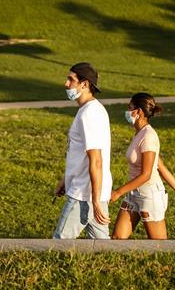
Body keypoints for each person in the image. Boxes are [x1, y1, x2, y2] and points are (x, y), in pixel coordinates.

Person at [110, 93, 175, 239]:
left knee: (159, 246)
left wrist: (118, 192)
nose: (127, 111)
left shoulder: (148, 136)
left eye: (129, 107)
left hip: (149, 196)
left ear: (138, 112)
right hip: (133, 195)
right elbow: (160, 164)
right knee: (117, 239)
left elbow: (146, 175)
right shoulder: (139, 133)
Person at [53, 62, 113, 239]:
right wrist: (65, 179)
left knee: (59, 244)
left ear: (85, 84)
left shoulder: (89, 114)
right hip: (92, 191)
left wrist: (94, 200)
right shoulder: (91, 109)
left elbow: (96, 160)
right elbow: (79, 153)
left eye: (71, 80)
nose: (66, 84)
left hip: (83, 194)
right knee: (102, 247)